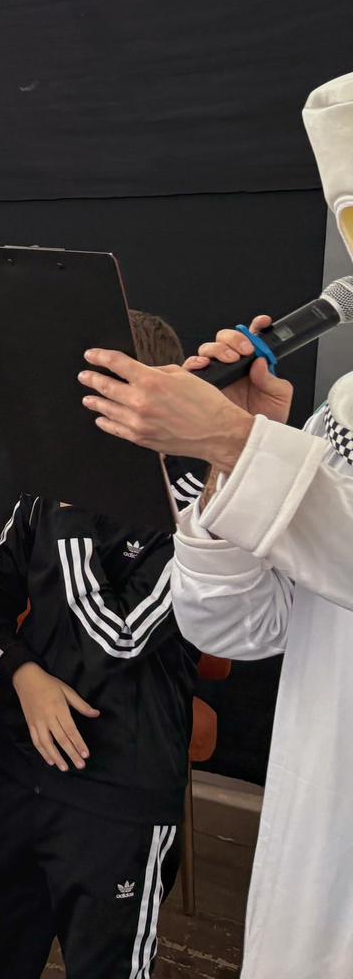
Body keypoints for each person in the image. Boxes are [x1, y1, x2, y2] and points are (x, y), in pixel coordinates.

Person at [75, 73, 353, 976]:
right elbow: (238, 626)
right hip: (320, 808)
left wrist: (235, 441)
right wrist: (234, 455)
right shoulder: (343, 409)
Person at [0, 313, 202, 978]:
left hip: (118, 799)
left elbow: (118, 639)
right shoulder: (46, 493)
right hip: (15, 779)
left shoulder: (193, 509)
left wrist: (71, 522)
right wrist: (23, 676)